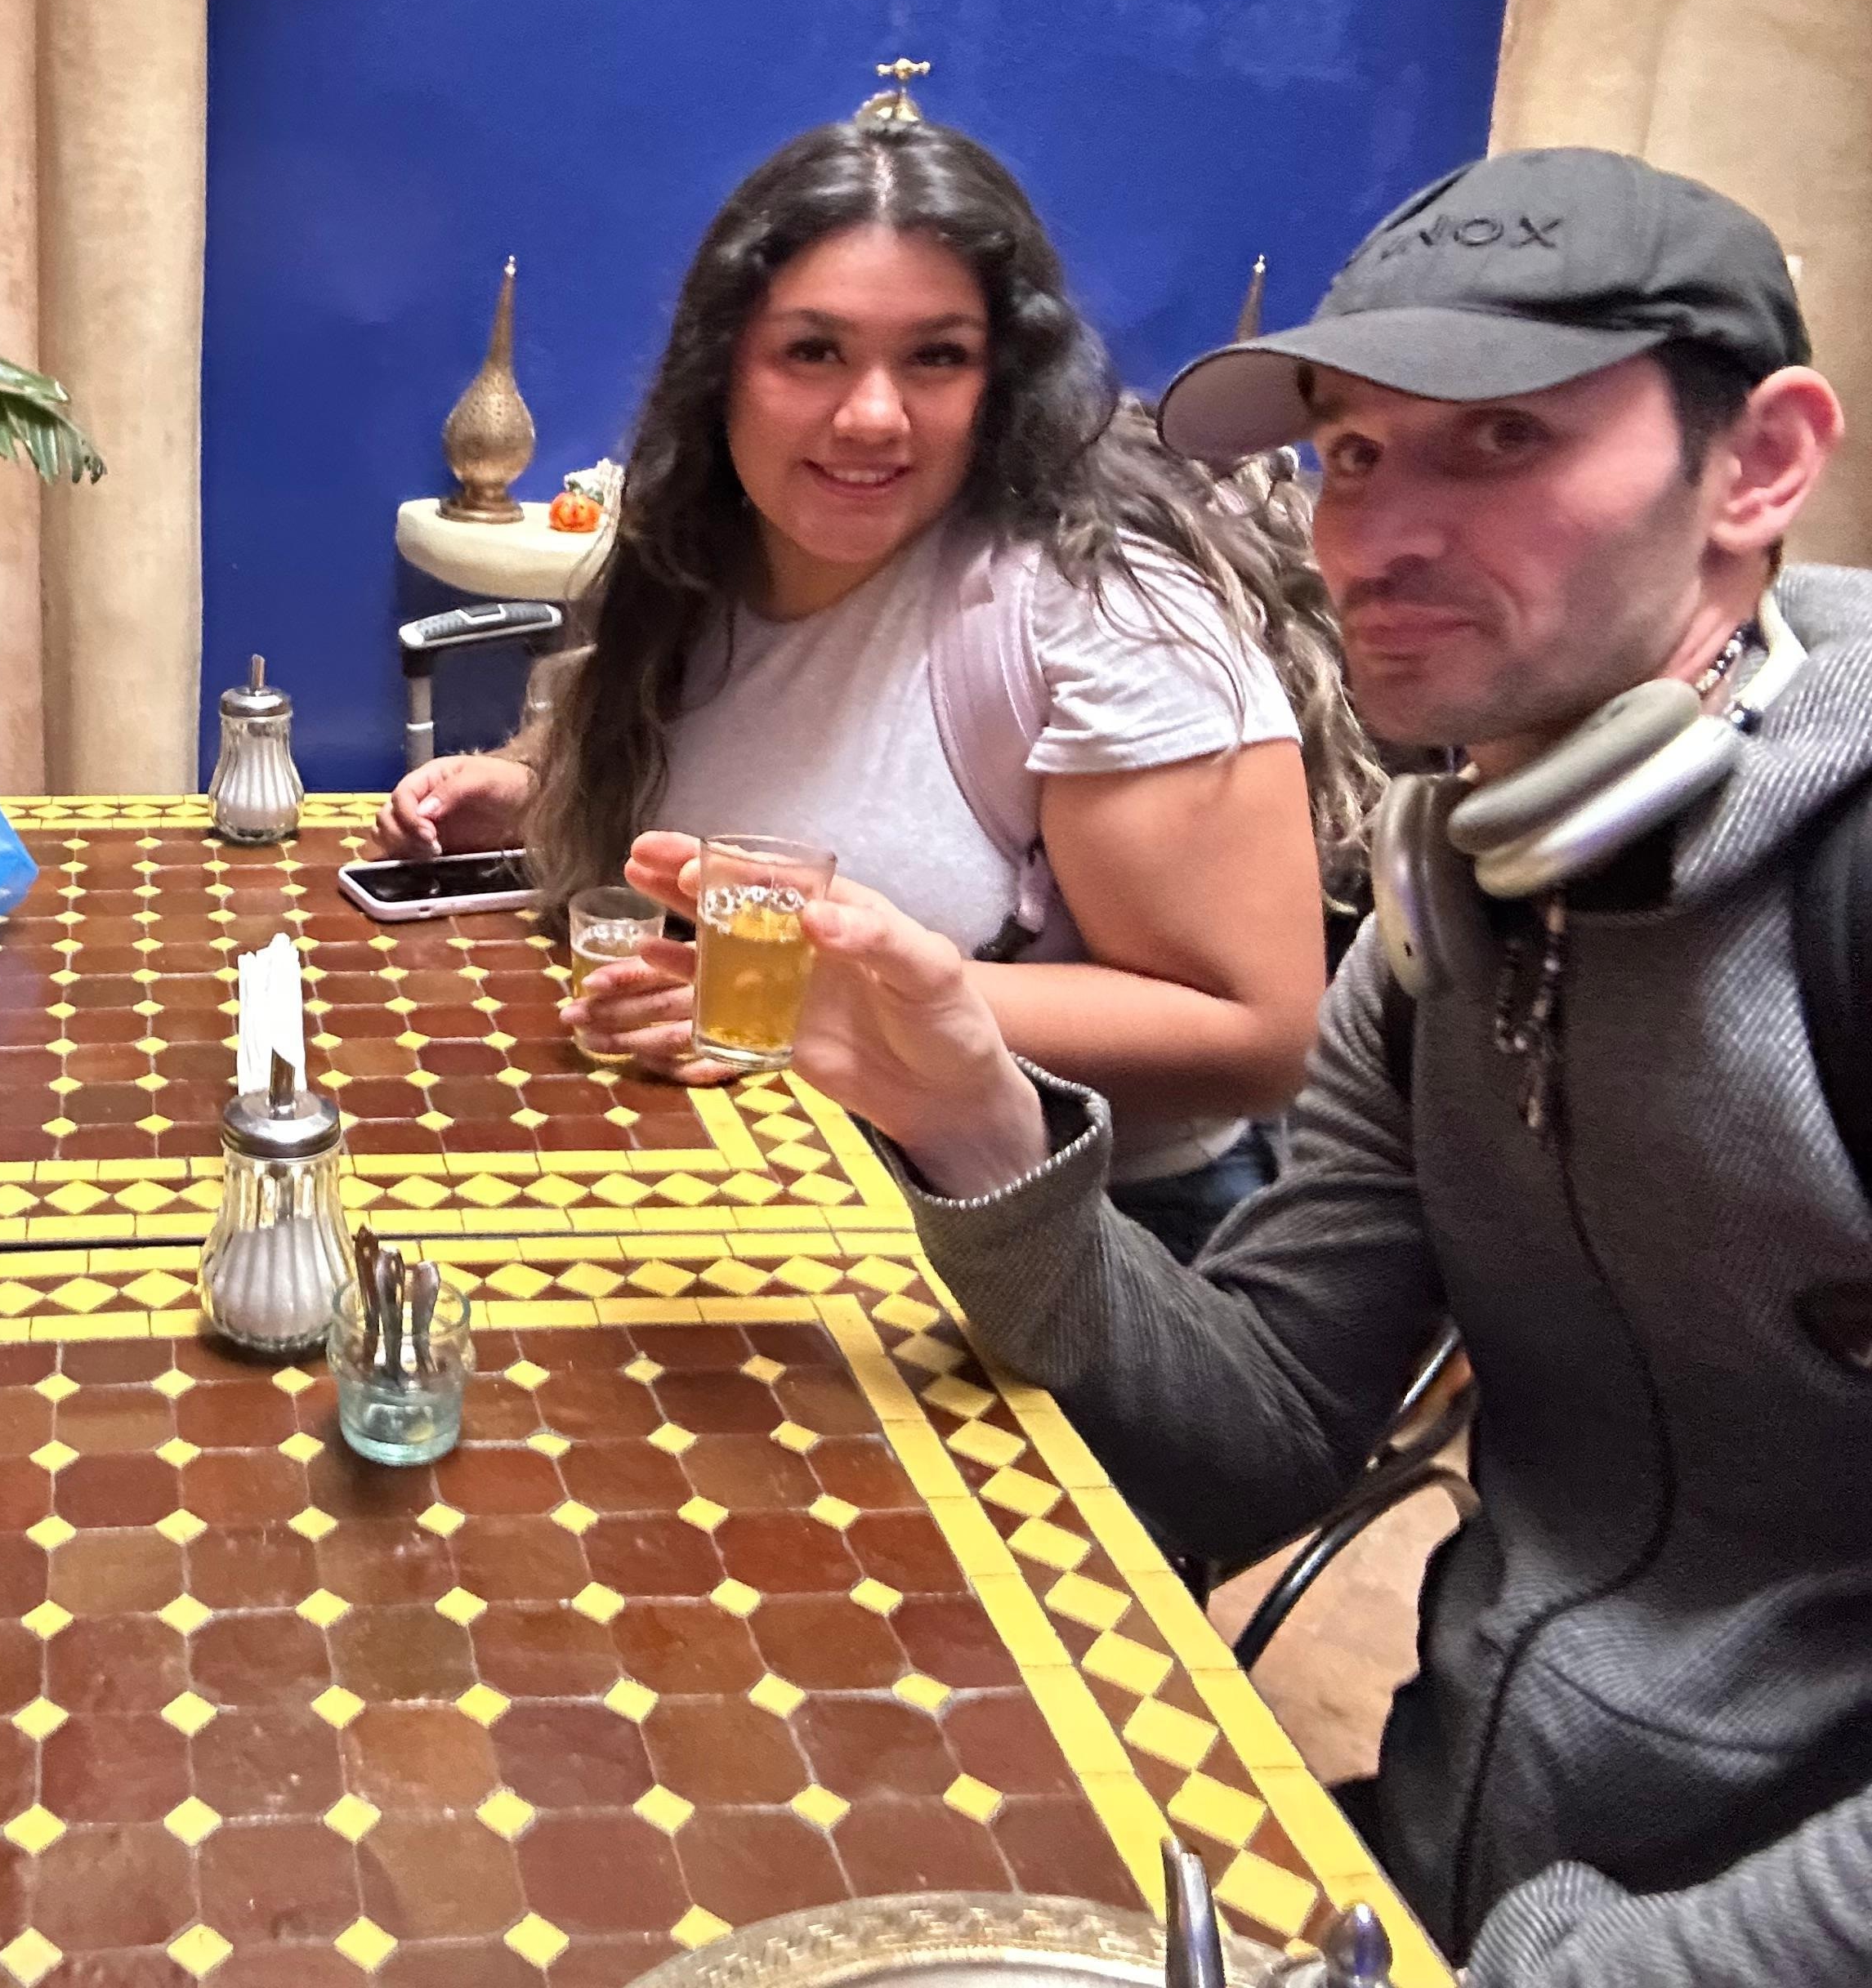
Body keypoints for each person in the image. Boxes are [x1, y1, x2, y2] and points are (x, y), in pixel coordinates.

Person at [714, 149, 1872, 1981]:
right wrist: (980, 1124)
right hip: (1437, 1865)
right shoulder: (1446, 917)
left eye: (1503, 441)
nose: (1374, 539)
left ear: (1762, 465)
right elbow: (1254, 1435)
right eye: (1355, 454)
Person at [380, 112, 1377, 1258]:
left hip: (1090, 1242)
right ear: (722, 370)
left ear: (1002, 378)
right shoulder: (710, 555)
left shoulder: (1092, 610)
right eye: (813, 351)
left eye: (936, 357)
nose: (871, 415)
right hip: (802, 1194)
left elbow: (1258, 1034)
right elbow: (770, 755)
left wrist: (798, 998)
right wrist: (534, 787)